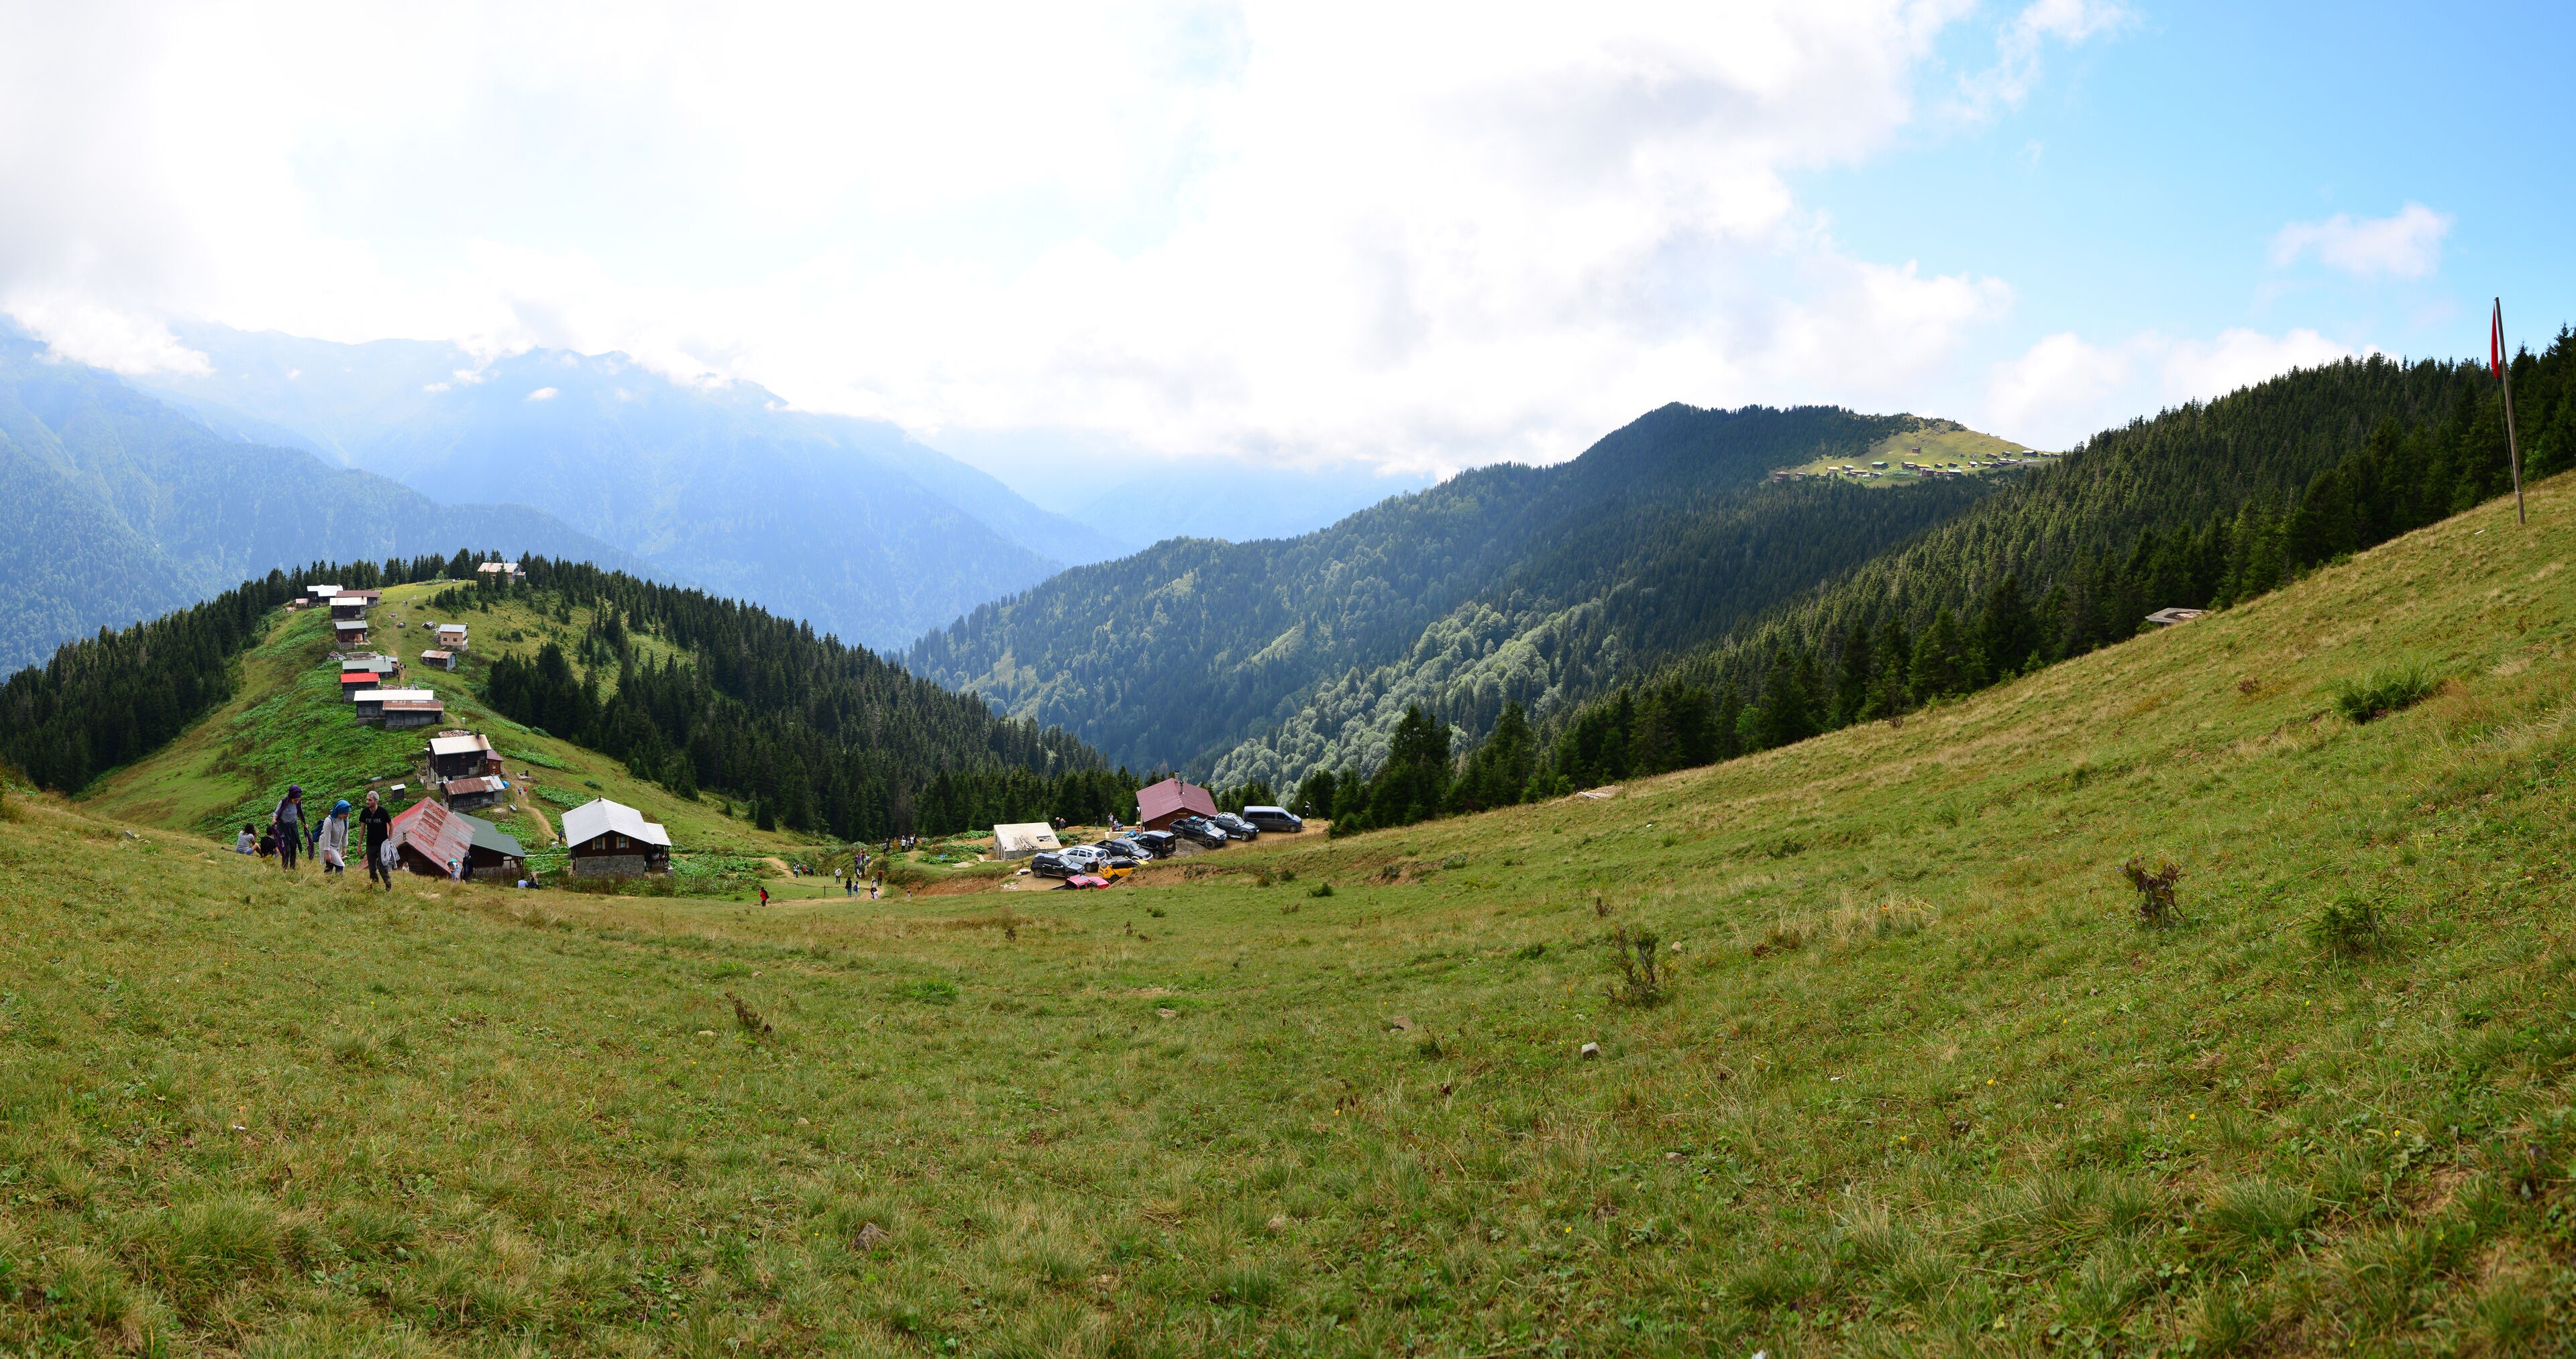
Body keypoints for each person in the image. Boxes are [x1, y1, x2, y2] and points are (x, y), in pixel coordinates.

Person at [359, 791, 394, 891]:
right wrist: (359, 845)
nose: (367, 802)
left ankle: (388, 886)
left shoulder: (383, 812)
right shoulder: (365, 812)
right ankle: (375, 886)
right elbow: (362, 829)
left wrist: (389, 841)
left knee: (382, 867)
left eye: (370, 800)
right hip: (370, 844)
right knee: (372, 869)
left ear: (376, 801)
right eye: (367, 799)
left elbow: (392, 825)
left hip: (382, 844)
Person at [272, 786, 305, 870]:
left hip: (293, 826)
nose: (297, 802)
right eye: (295, 800)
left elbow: (300, 814)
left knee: (294, 847)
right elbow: (276, 813)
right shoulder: (283, 803)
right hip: (283, 827)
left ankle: (293, 868)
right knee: (287, 850)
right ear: (291, 798)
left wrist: (304, 824)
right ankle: (285, 868)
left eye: (298, 800)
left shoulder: (298, 804)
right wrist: (274, 819)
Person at [317, 800, 351, 875]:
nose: (347, 816)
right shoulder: (329, 821)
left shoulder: (345, 820)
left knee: (332, 863)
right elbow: (327, 837)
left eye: (348, 814)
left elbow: (345, 833)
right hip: (328, 845)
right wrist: (327, 852)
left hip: (337, 845)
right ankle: (338, 880)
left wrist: (345, 847)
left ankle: (330, 881)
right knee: (339, 864)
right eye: (346, 814)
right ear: (340, 812)